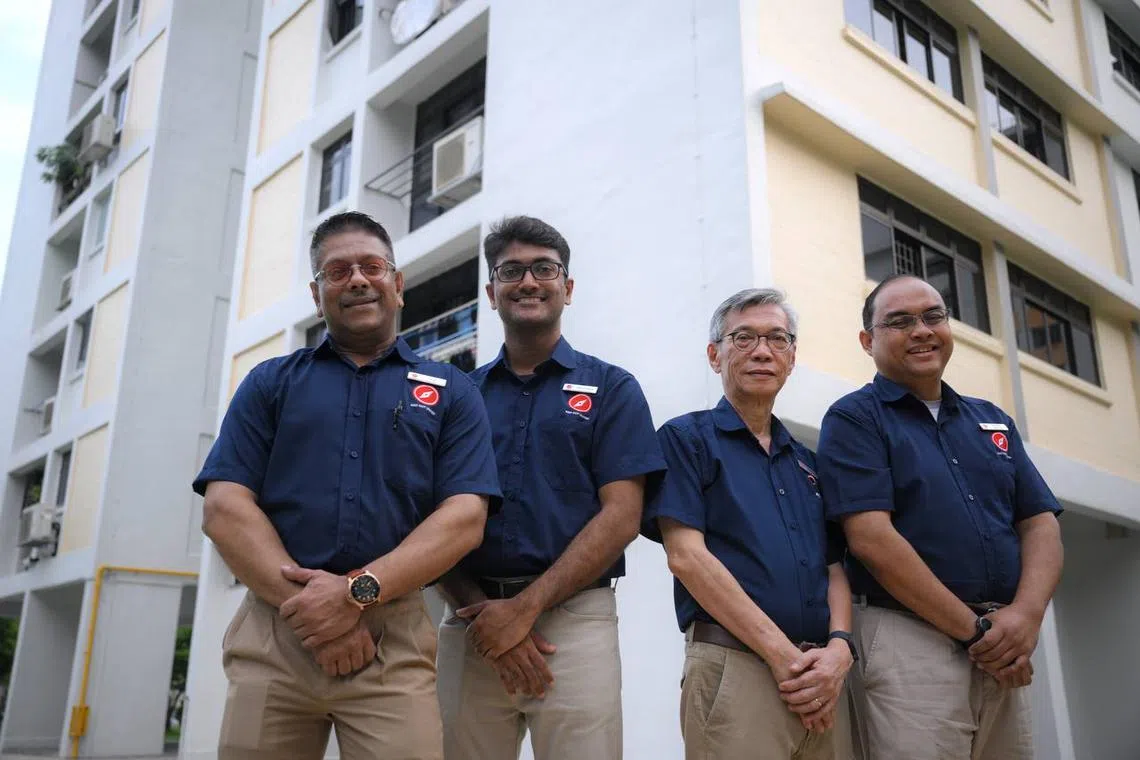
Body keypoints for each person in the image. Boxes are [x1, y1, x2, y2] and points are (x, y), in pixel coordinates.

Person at [193, 211, 501, 760]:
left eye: (372, 266)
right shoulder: (270, 383)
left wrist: (356, 594)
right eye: (337, 272)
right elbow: (224, 508)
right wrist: (319, 617)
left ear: (398, 284)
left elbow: (464, 518)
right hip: (277, 633)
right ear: (318, 295)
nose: (357, 279)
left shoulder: (454, 391)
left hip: (393, 642)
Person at [435, 215, 665, 760]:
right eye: (511, 271)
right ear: (491, 293)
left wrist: (524, 609)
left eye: (544, 268)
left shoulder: (613, 388)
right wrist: (487, 613)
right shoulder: (459, 396)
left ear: (567, 286)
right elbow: (430, 515)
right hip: (470, 620)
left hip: (575, 623)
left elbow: (622, 516)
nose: (529, 281)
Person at [816, 273, 1064, 759]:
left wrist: (1026, 617)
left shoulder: (990, 419)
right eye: (900, 321)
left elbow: (1041, 524)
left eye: (933, 316)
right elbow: (871, 539)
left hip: (1004, 640)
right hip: (911, 641)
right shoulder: (853, 419)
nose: (922, 330)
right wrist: (977, 634)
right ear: (868, 341)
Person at [643, 288, 856, 760]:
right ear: (714, 355)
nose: (762, 351)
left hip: (821, 678)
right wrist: (784, 659)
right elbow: (686, 557)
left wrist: (840, 649)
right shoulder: (685, 439)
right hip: (736, 669)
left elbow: (834, 567)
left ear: (792, 357)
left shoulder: (808, 462)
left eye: (777, 339)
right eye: (743, 338)